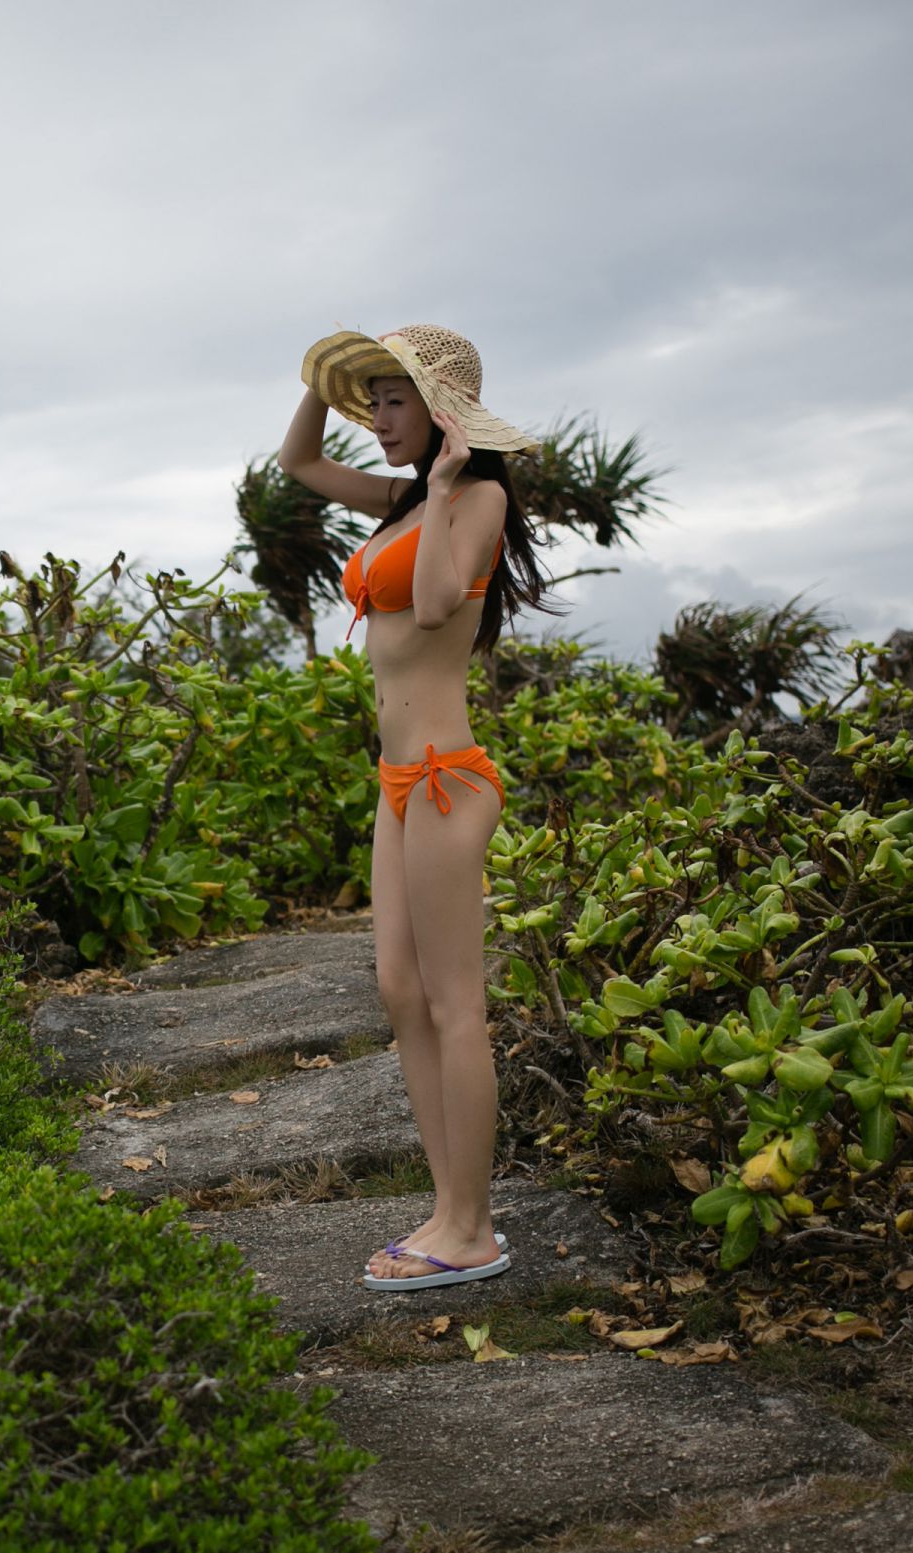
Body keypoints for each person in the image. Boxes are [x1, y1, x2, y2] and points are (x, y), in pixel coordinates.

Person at [279, 324, 560, 1291]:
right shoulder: (398, 500)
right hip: (397, 787)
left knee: (454, 1004)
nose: (381, 420)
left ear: (443, 418)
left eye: (397, 401)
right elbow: (301, 461)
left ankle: (472, 1229)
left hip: (446, 777)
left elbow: (438, 608)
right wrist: (324, 378)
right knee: (401, 992)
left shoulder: (473, 496)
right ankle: (447, 1210)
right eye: (376, 401)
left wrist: (441, 489)